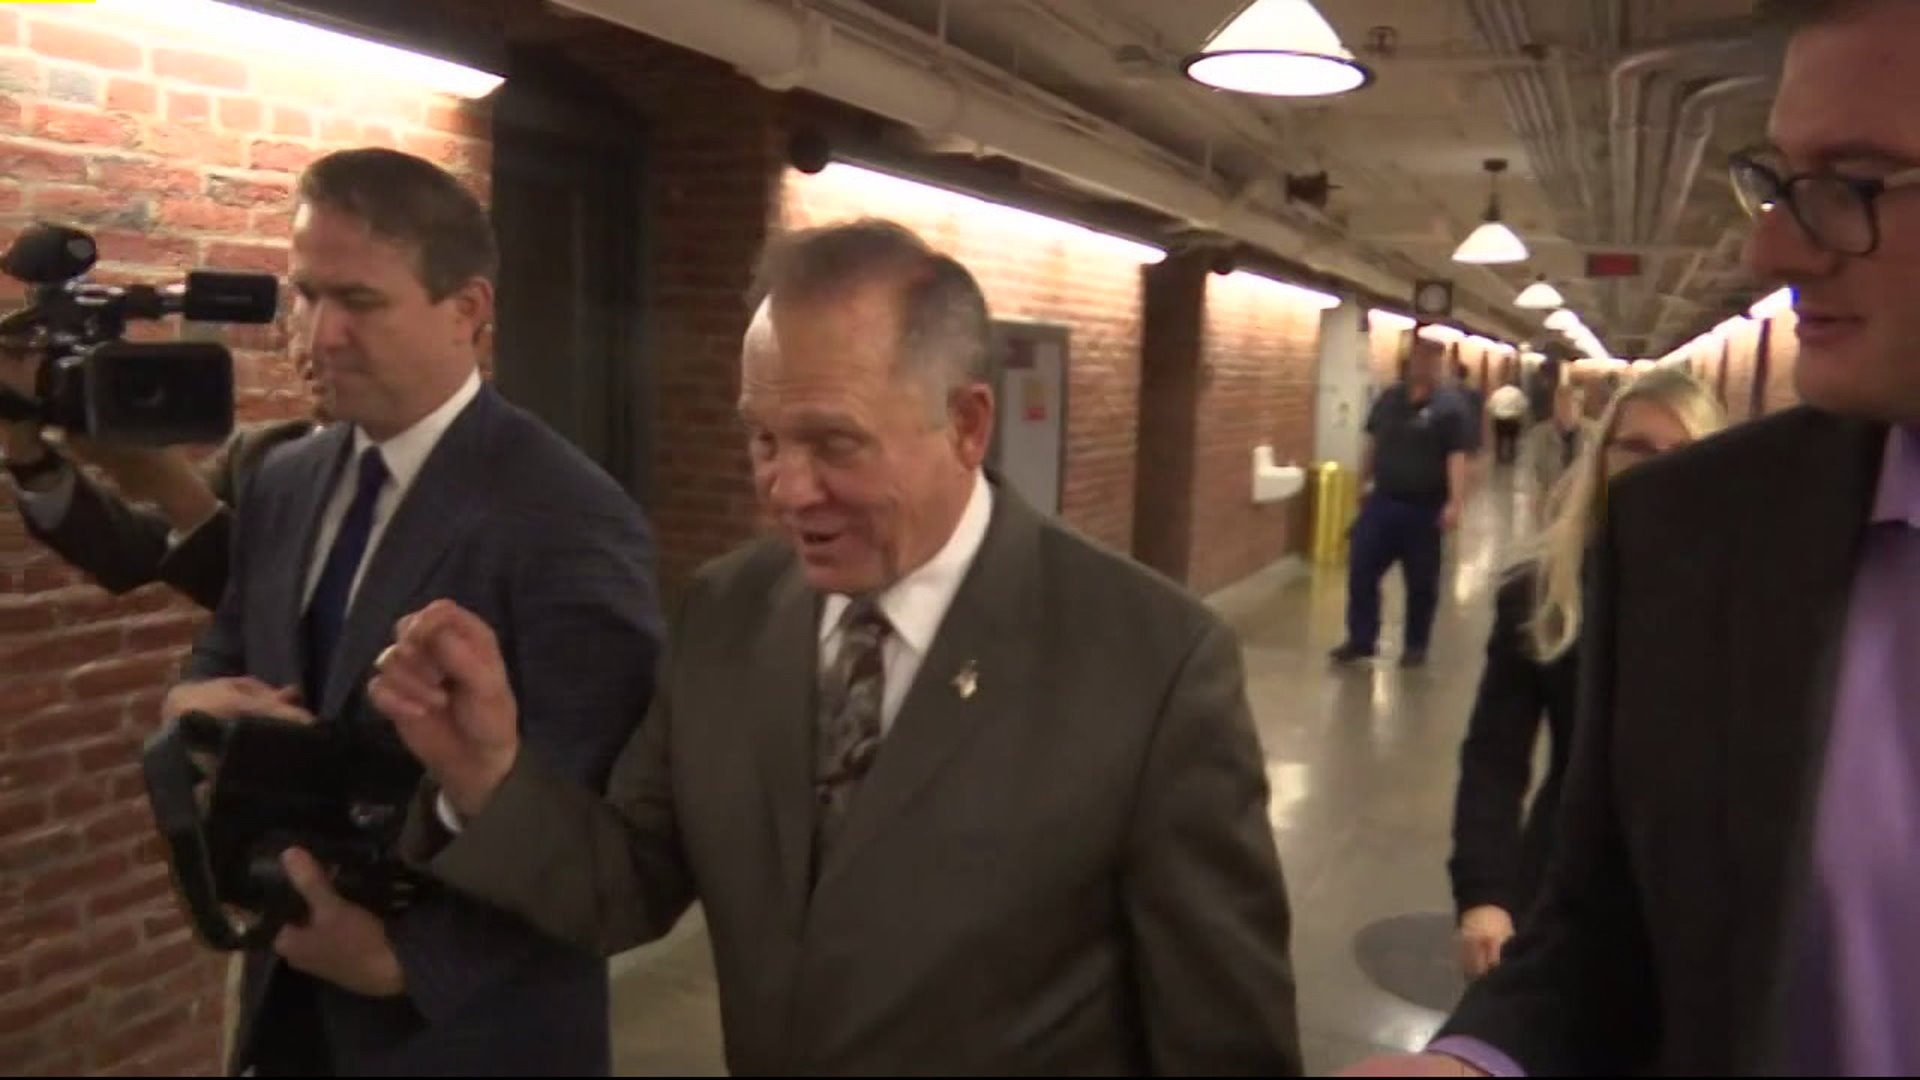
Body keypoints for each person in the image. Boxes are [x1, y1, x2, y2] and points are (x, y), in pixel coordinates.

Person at [369, 218, 1303, 1075]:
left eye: (833, 443)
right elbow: (629, 885)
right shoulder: (727, 612)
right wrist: (485, 774)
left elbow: (1224, 1043)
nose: (786, 488)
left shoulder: (1153, 663)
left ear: (967, 425)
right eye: (763, 438)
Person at [1343, 0, 1920, 1073]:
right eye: (1779, 182)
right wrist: (1474, 1064)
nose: (1768, 249)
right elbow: (1605, 939)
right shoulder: (1694, 533)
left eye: (1853, 184)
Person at [161, 146, 663, 1076]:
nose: (319, 335)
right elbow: (224, 652)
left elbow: (595, 832)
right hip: (287, 1002)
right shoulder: (284, 478)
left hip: (469, 1034)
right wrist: (190, 709)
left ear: (467, 310)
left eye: (359, 301)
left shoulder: (569, 516)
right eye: (307, 296)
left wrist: (404, 962)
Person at [1448, 368, 1725, 982]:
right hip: (1564, 877)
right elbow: (1495, 756)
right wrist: (1485, 894)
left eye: (1683, 452)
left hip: (1698, 894)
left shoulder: (1745, 600)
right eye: (1636, 448)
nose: (1658, 470)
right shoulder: (1543, 593)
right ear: (1603, 460)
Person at [2, 343, 320, 610]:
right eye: (307, 307)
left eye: (346, 301)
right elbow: (131, 553)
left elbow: (302, 622)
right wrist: (31, 458)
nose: (315, 345)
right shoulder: (260, 450)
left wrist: (179, 494)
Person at [1331, 336, 1472, 669]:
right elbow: (1373, 441)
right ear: (1410, 362)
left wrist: (1455, 502)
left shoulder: (1450, 408)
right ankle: (1361, 639)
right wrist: (1362, 481)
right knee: (1361, 568)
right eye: (1421, 359)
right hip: (1383, 501)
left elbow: (1456, 457)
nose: (1426, 366)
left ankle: (1415, 645)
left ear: (1440, 367)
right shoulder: (1389, 399)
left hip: (1425, 508)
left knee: (1421, 582)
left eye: (1433, 362)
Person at [1518, 382, 1587, 521]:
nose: (1566, 411)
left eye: (1571, 405)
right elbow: (1530, 468)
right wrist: (1535, 497)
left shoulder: (1593, 434)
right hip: (1549, 503)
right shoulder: (1539, 435)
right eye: (1561, 405)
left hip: (1581, 504)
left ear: (1580, 407)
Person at [1485, 381, 1528, 465]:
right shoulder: (1517, 393)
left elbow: (1489, 406)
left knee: (1499, 439)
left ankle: (1499, 458)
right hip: (1513, 419)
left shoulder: (1497, 393)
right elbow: (1524, 405)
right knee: (1512, 439)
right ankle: (1511, 457)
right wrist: (1520, 414)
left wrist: (1493, 415)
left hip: (1499, 418)